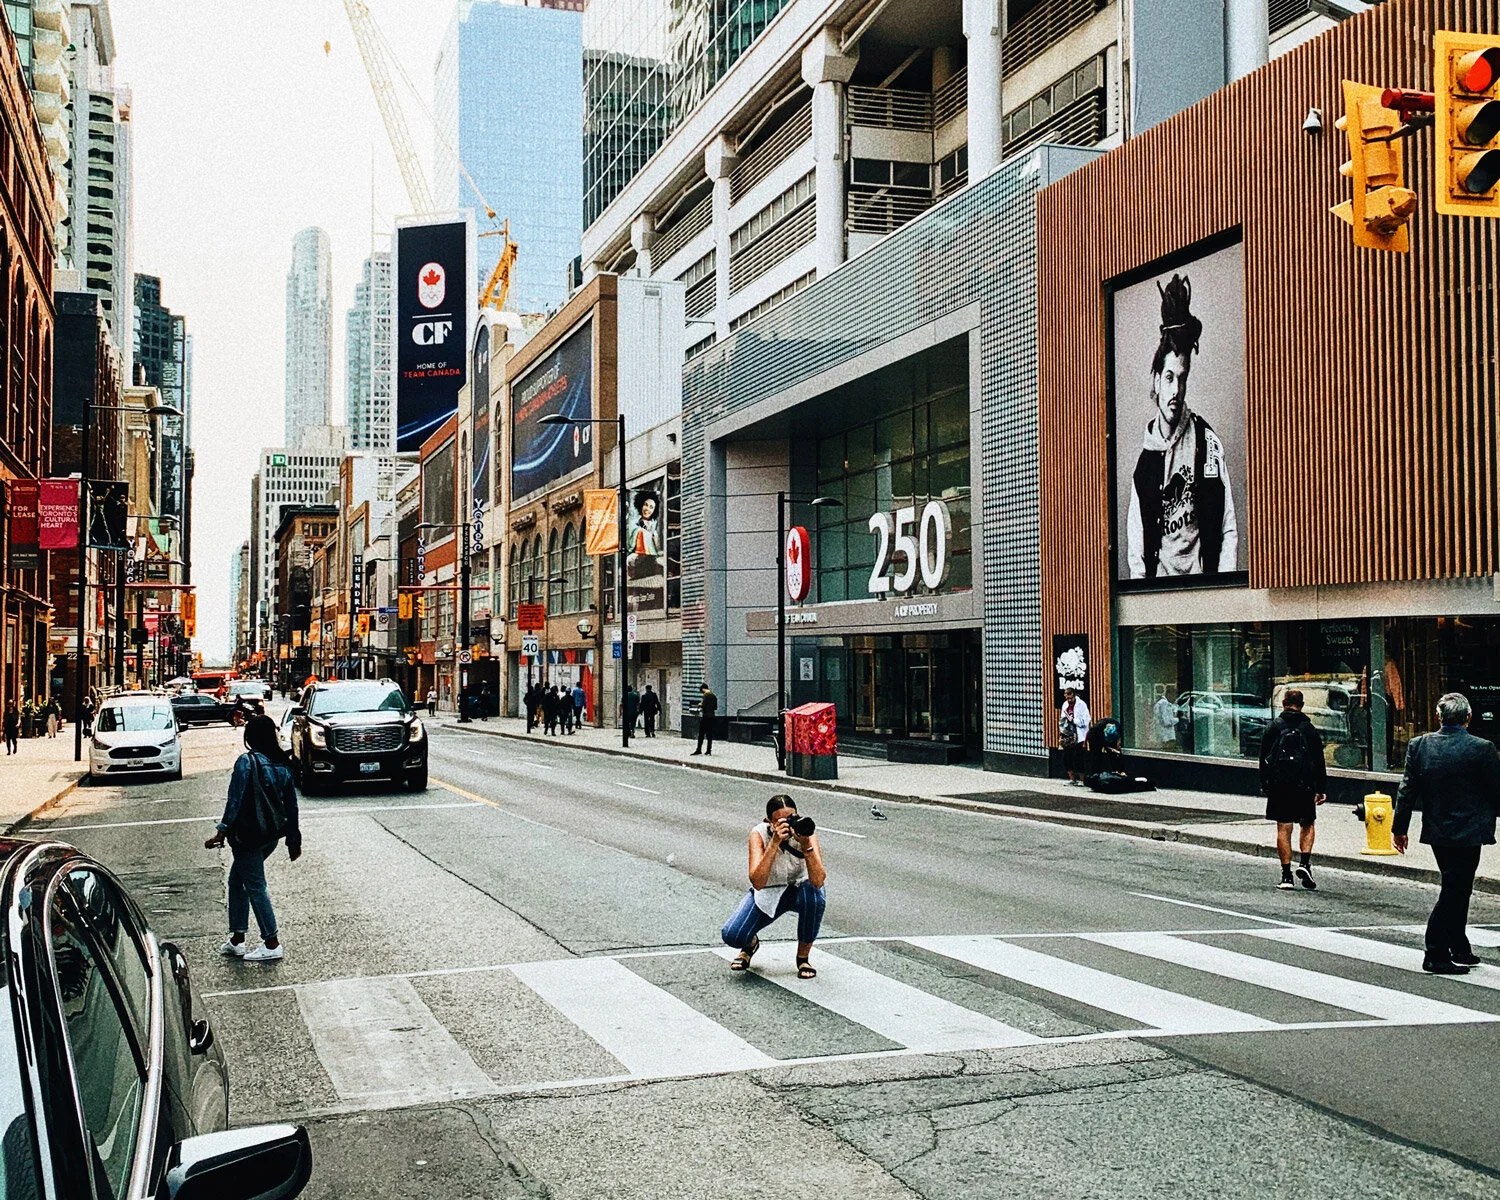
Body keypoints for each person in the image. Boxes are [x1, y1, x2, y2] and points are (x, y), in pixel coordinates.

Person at [1125, 273, 1238, 579]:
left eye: (1182, 378)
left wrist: (1222, 588)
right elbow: (1136, 546)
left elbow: (1227, 525)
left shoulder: (1206, 441)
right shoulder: (1145, 463)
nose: (1176, 390)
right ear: (1157, 382)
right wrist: (1145, 597)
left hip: (1204, 590)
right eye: (1170, 378)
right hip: (1161, 594)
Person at [1393, 692, 1500, 975]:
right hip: (1470, 829)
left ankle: (1458, 945)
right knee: (1456, 888)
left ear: (1438, 717)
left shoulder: (1420, 746)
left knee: (1458, 885)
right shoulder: (1483, 748)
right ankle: (1436, 951)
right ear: (1468, 717)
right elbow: (1495, 791)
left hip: (1439, 829)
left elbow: (1406, 792)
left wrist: (1399, 828)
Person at [204, 715, 301, 964]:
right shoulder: (282, 764)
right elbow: (291, 805)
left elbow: (234, 801)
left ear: (249, 737)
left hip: (248, 836)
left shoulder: (246, 763)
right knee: (237, 881)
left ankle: (272, 942)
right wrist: (293, 838)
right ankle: (237, 939)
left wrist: (221, 831)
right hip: (271, 835)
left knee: (256, 886)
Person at [721, 795, 828, 980]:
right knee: (733, 935)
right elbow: (758, 882)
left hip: (800, 889)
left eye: (792, 818)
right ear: (769, 821)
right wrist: (774, 843)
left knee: (815, 895)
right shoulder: (759, 834)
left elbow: (818, 881)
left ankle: (803, 958)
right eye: (781, 821)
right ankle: (750, 944)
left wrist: (806, 845)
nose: (788, 824)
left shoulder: (805, 831)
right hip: (769, 892)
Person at [1259, 689, 1327, 891]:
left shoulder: (1273, 727)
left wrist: (1266, 785)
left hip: (1280, 785)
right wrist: (1320, 788)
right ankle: (1305, 863)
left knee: (1283, 827)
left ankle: (1286, 875)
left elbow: (1263, 760)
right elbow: (1318, 761)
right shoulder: (1308, 729)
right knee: (1307, 823)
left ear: (1283, 702)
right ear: (1302, 705)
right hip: (1304, 784)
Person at [1058, 686, 1091, 785]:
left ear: (1074, 695)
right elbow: (1062, 719)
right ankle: (1072, 778)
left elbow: (1086, 721)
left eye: (1071, 698)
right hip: (1068, 735)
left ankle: (1082, 779)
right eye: (1067, 698)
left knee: (1078, 757)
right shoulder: (1065, 705)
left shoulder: (1081, 705)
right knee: (1066, 757)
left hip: (1079, 734)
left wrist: (1074, 721)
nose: (1069, 700)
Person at [692, 682, 718, 756]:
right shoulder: (714, 696)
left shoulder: (705, 695)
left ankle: (699, 749)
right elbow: (715, 707)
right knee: (709, 734)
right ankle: (708, 750)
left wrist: (700, 705)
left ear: (703, 689)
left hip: (705, 716)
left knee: (701, 734)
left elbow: (703, 705)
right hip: (712, 716)